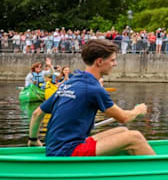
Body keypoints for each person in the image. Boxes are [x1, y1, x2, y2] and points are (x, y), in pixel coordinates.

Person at [27, 39, 155, 157]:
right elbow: (124, 117)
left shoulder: (70, 82)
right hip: (68, 152)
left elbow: (37, 114)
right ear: (99, 61)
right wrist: (138, 110)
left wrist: (33, 140)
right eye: (112, 60)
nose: (115, 64)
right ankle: (160, 171)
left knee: (122, 131)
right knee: (134, 137)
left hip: (55, 148)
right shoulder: (94, 89)